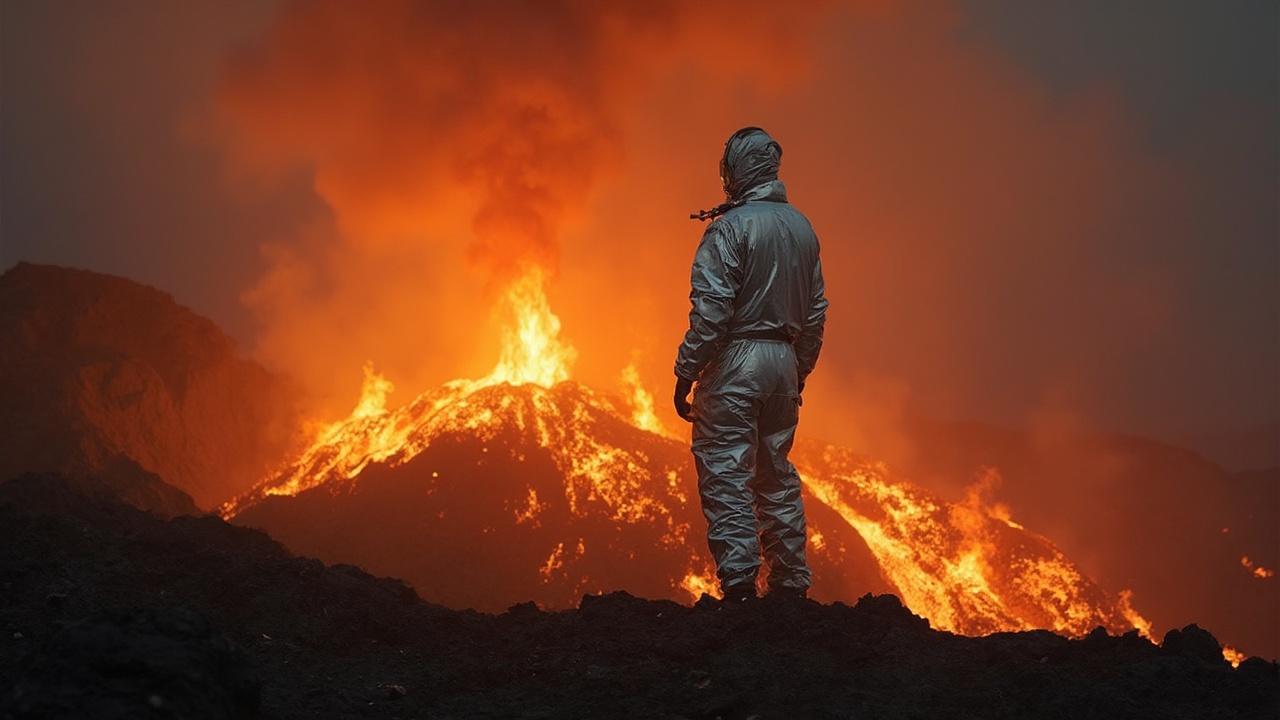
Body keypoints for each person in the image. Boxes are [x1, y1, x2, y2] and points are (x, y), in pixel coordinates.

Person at [673, 126, 827, 603]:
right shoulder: (803, 228)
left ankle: (739, 588)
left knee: (726, 472)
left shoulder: (729, 228)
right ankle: (790, 588)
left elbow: (713, 310)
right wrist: (797, 373)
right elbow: (816, 311)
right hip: (783, 364)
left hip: (736, 362)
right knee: (775, 477)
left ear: (735, 168)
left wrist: (686, 372)